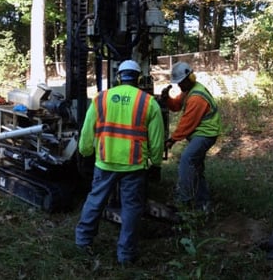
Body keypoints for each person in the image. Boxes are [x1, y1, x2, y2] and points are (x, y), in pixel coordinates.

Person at [75, 60, 164, 265]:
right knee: (131, 208)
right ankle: (125, 256)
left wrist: (85, 152)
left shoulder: (101, 99)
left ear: (118, 77)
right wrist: (156, 163)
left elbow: (88, 130)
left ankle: (82, 242)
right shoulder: (148, 102)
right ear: (139, 79)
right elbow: (157, 139)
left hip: (105, 162)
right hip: (134, 165)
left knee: (95, 200)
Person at [162, 61, 221, 211]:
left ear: (190, 78)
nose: (179, 86)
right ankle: (203, 203)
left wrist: (172, 140)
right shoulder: (189, 91)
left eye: (180, 83)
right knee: (196, 168)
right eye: (178, 84)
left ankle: (184, 200)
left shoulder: (196, 97)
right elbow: (176, 106)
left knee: (187, 161)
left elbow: (187, 123)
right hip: (200, 134)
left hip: (205, 134)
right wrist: (167, 98)